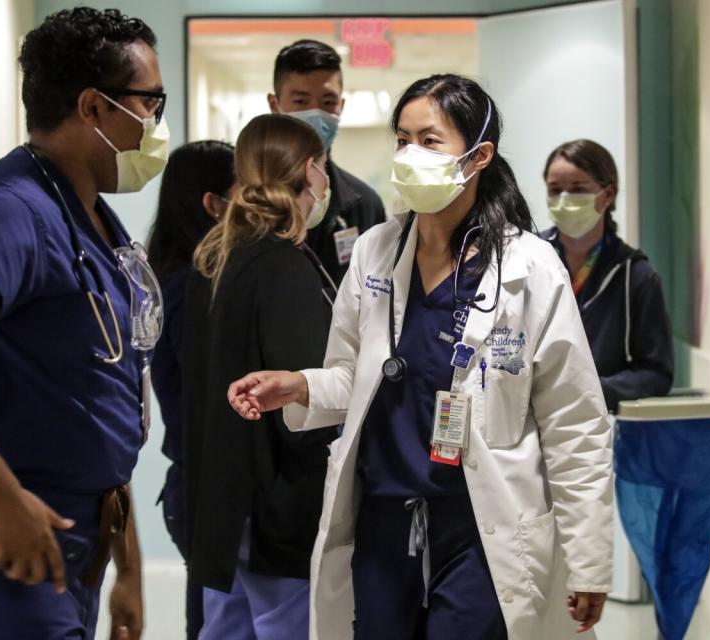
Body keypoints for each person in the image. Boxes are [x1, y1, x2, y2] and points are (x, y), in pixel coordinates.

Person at [229, 74, 614, 640]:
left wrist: (589, 556)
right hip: (384, 519)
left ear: (478, 156)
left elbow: (575, 423)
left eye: (430, 141)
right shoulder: (375, 251)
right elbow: (352, 375)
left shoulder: (531, 268)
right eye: (402, 140)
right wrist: (299, 386)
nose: (411, 155)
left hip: (483, 527)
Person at [0, 7, 168, 639]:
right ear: (93, 107)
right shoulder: (7, 211)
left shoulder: (90, 215)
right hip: (7, 533)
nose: (156, 123)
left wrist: (127, 568)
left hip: (78, 532)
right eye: (150, 102)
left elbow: (103, 394)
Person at [185, 114, 338, 640]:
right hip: (278, 502)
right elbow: (304, 394)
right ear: (310, 171)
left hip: (227, 503)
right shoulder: (283, 266)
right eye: (322, 168)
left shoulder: (219, 258)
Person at [147, 140, 236, 640]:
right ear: (214, 205)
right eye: (244, 193)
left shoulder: (180, 277)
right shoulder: (191, 286)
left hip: (196, 487)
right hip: (203, 489)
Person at [540, 140, 673, 412]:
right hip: (534, 422)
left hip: (603, 426)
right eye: (555, 190)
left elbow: (657, 373)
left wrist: (594, 391)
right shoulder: (529, 262)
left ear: (607, 195)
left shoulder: (635, 276)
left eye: (578, 190)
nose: (564, 199)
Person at [268, 39, 386, 284]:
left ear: (341, 106)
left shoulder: (365, 204)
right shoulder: (246, 200)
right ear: (274, 105)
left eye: (328, 103)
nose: (317, 113)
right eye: (301, 102)